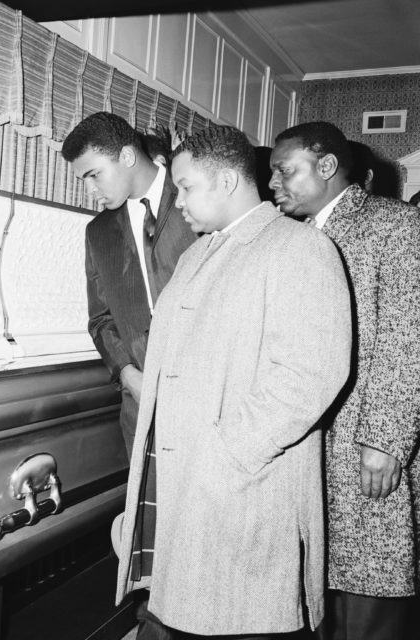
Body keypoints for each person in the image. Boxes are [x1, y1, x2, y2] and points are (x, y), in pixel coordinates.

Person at [115, 123, 352, 639]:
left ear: (225, 182)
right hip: (188, 486)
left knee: (242, 620)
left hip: (245, 486)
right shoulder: (198, 254)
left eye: (185, 187)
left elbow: (312, 374)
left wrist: (227, 452)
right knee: (181, 616)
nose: (177, 202)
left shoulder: (301, 248)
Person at [270, 121, 420, 640]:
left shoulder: (395, 225)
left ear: (327, 167)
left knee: (370, 595)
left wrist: (386, 439)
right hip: (306, 444)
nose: (273, 185)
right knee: (317, 594)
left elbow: (408, 335)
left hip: (365, 444)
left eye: (284, 171)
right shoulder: (291, 236)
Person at [61, 112, 196, 457]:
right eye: (83, 180)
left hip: (208, 398)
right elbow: (101, 318)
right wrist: (126, 373)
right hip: (140, 407)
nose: (90, 191)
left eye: (94, 175)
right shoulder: (98, 232)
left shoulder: (196, 200)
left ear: (126, 156)